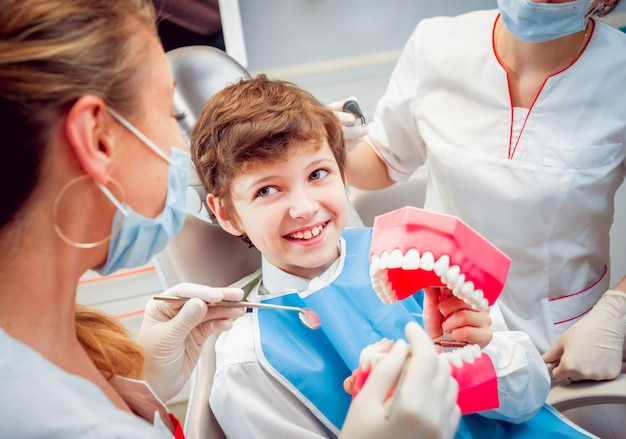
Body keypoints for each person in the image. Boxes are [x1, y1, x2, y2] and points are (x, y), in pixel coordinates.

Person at [0, 1, 464, 438]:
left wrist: (141, 385)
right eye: (169, 112)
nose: (183, 150)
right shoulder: (245, 360)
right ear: (97, 138)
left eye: (318, 174)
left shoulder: (63, 365)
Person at [190, 74, 596, 439]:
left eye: (317, 174)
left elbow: (529, 395)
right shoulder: (249, 361)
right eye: (267, 190)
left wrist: (467, 358)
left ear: (341, 171)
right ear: (226, 213)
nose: (305, 208)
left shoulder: (418, 254)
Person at [339, 0, 626, 384]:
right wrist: (330, 141)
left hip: (562, 348)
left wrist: (618, 311)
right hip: (446, 331)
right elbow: (381, 160)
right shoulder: (436, 45)